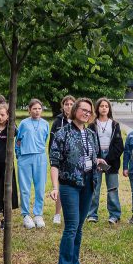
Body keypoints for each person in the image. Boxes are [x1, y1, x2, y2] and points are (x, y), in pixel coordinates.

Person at [49, 97, 103, 264]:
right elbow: (54, 162)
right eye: (84, 110)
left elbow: (90, 156)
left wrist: (97, 162)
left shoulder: (90, 134)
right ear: (75, 111)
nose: (87, 113)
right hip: (69, 184)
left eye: (90, 111)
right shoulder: (62, 133)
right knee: (71, 226)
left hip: (88, 182)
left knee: (79, 226)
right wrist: (55, 187)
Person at [87, 97, 123, 224]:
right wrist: (97, 158)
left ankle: (114, 215)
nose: (104, 108)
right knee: (94, 188)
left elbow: (119, 146)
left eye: (106, 106)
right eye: (101, 106)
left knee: (112, 189)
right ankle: (92, 214)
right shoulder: (92, 125)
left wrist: (106, 159)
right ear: (97, 108)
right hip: (96, 158)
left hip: (111, 159)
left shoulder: (115, 125)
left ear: (109, 109)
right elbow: (88, 144)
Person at [16, 98, 50, 229]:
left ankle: (38, 214)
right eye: (34, 108)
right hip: (25, 158)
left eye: (39, 108)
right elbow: (18, 140)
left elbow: (45, 138)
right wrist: (19, 154)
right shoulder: (24, 123)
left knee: (40, 187)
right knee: (25, 188)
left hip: (40, 158)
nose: (37, 111)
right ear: (29, 110)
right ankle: (26, 214)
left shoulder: (45, 124)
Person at [50, 95, 76, 225]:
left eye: (72, 104)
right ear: (63, 106)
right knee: (59, 186)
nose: (69, 106)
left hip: (74, 160)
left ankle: (70, 213)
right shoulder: (57, 122)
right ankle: (57, 214)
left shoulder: (78, 120)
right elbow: (52, 142)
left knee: (72, 186)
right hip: (60, 159)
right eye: (67, 104)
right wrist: (53, 159)